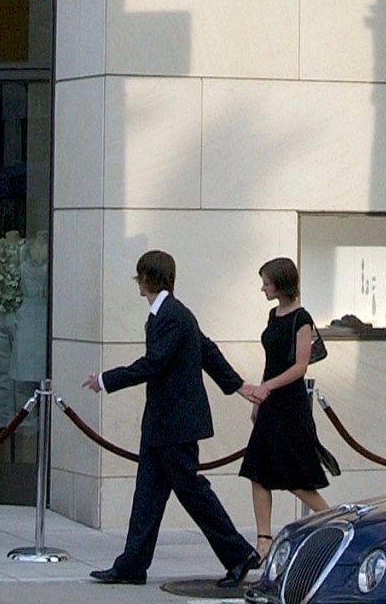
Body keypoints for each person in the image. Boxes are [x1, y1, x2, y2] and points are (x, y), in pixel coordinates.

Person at [85, 250, 257, 589]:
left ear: (146, 278)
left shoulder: (172, 315)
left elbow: (154, 363)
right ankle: (132, 564)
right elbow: (207, 350)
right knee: (147, 496)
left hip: (174, 423)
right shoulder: (173, 313)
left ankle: (238, 554)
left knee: (192, 491)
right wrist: (238, 386)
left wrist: (106, 380)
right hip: (163, 423)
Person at [237, 258, 331, 557]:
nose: (263, 287)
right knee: (258, 470)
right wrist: (260, 399)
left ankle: (334, 521)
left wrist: (268, 387)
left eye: (267, 282)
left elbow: (299, 367)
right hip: (271, 403)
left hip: (290, 404)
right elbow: (272, 361)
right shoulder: (273, 314)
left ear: (281, 283)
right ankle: (263, 539)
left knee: (295, 477)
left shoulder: (301, 318)